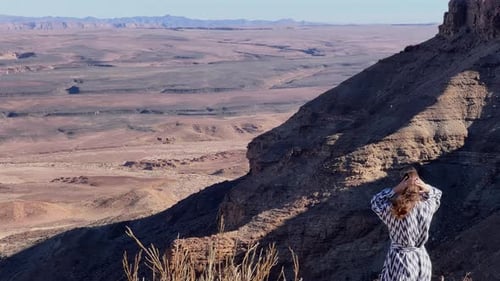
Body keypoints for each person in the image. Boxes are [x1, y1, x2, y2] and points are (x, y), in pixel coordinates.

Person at [371, 167, 442, 281]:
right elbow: (437, 194)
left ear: (402, 186)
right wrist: (426, 187)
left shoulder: (393, 210)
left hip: (401, 261)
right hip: (422, 261)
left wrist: (395, 189)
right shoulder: (427, 206)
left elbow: (375, 201)